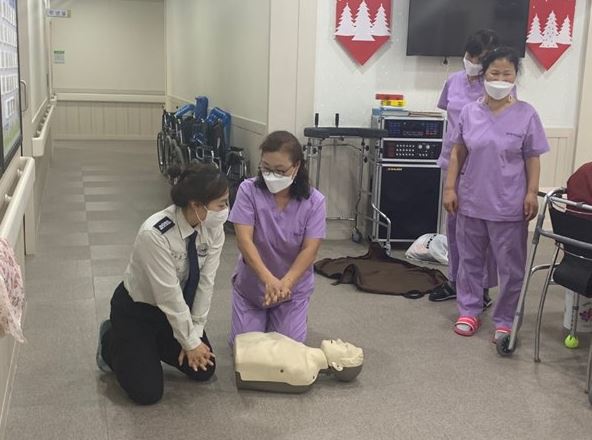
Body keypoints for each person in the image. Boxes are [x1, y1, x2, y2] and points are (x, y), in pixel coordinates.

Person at [95, 163, 229, 405]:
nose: (225, 210)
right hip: (138, 311)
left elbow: (205, 283)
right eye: (221, 204)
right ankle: (111, 340)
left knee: (204, 369)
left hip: (174, 312)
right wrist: (188, 342)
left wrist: (195, 334)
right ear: (196, 205)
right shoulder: (155, 234)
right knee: (147, 393)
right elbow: (168, 295)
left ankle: (147, 347)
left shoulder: (213, 228)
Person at [443, 46, 550, 340]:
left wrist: (531, 192)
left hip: (509, 204)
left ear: (515, 76)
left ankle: (505, 319)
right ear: (484, 75)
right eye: (494, 73)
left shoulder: (526, 114)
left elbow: (532, 157)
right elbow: (457, 153)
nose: (500, 79)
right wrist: (450, 188)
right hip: (471, 201)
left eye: (507, 74)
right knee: (469, 262)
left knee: (510, 267)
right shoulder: (470, 112)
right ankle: (469, 310)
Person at [228, 131, 326, 344]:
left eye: (280, 171)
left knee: (286, 349)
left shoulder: (314, 201)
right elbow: (244, 241)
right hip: (253, 286)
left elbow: (310, 249)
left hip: (291, 289)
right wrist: (268, 280)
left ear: (296, 167)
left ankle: (287, 315)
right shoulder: (248, 191)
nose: (272, 175)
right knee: (246, 348)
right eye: (266, 168)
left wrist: (284, 284)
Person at [431, 29, 500, 307]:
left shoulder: (496, 87)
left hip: (481, 168)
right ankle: (454, 280)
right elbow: (449, 116)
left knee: (480, 229)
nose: (472, 61)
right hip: (452, 162)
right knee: (454, 226)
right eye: (470, 55)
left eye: (479, 58)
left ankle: (481, 287)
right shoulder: (453, 81)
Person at [234, 332, 364, 394]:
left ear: (337, 366)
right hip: (244, 344)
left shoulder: (305, 373)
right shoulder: (303, 351)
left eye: (345, 347)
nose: (339, 340)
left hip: (243, 355)